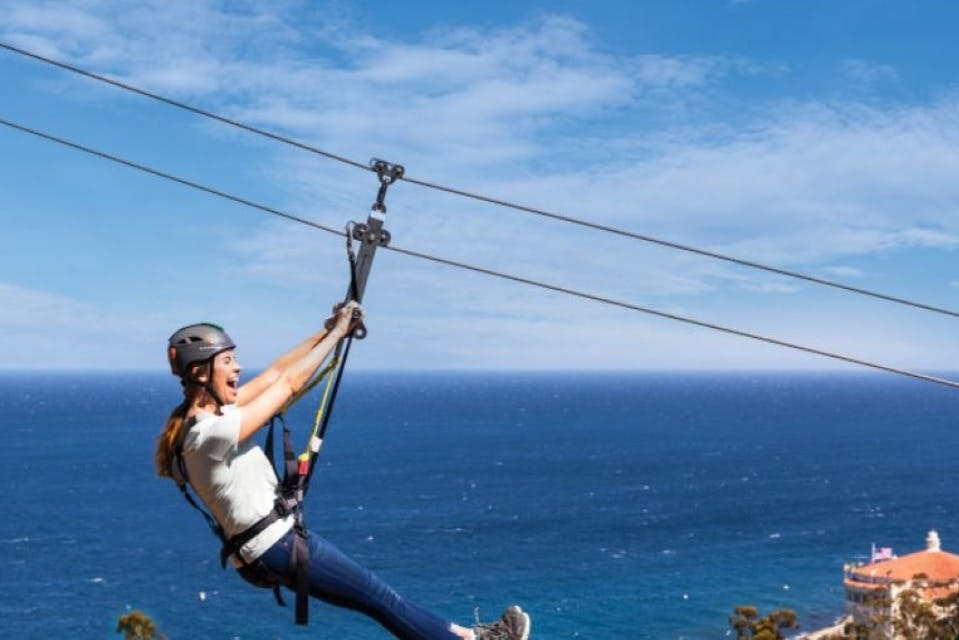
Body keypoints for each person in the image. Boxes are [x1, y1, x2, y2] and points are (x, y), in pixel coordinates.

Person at [154, 304, 531, 640]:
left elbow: (274, 375)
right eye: (227, 362)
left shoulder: (195, 427)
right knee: (381, 599)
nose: (237, 368)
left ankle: (469, 636)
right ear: (201, 372)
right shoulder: (210, 434)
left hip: (269, 549)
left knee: (379, 600)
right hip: (279, 545)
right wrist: (338, 333)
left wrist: (330, 329)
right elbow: (287, 383)